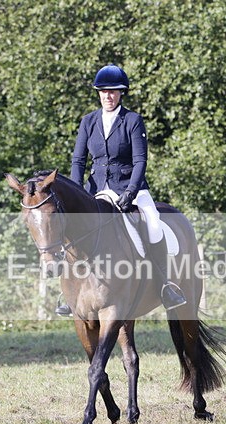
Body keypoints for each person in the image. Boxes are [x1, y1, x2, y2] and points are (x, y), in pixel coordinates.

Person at [55, 64, 186, 316]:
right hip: (96, 192)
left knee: (153, 222)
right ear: (98, 93)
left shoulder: (132, 120)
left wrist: (131, 192)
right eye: (104, 91)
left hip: (129, 188)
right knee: (72, 231)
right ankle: (70, 293)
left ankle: (165, 285)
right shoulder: (88, 121)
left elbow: (140, 161)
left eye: (113, 91)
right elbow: (78, 161)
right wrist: (76, 194)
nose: (108, 95)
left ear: (121, 93)